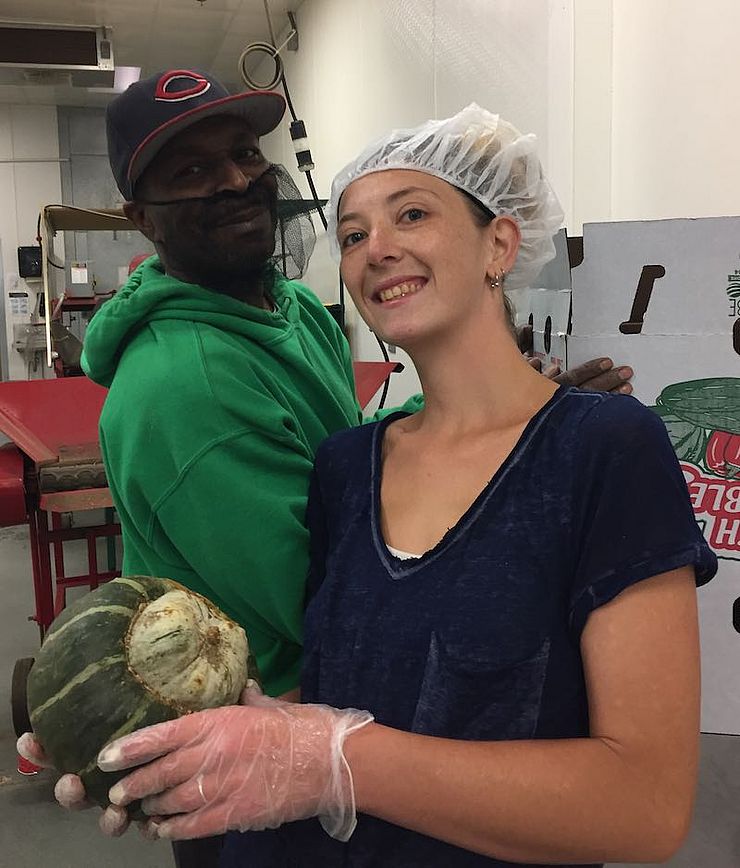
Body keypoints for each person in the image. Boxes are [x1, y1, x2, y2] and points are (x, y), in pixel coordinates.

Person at [80, 105, 717, 868]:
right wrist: (118, 730)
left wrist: (339, 762)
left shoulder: (607, 449)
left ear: (501, 242)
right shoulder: (345, 467)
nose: (377, 248)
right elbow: (323, 678)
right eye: (353, 235)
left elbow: (645, 807)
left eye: (412, 213)